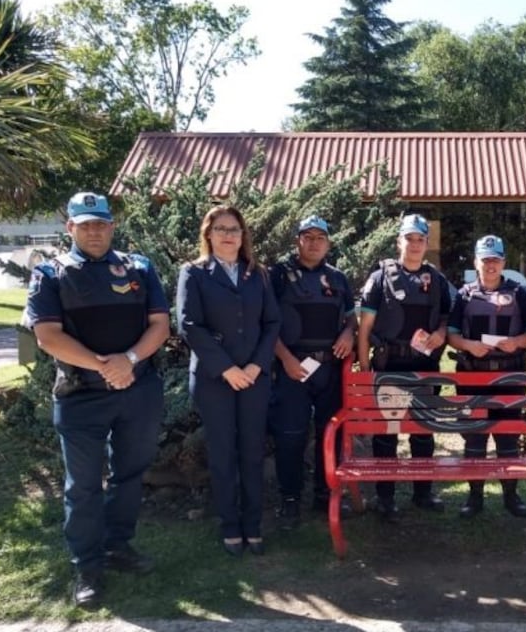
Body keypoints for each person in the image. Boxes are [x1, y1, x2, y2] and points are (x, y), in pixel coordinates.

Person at [25, 192, 170, 608]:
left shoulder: (139, 267)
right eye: (85, 224)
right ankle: (87, 565)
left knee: (130, 473)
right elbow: (47, 336)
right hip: (80, 395)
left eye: (101, 223)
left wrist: (128, 360)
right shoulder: (51, 274)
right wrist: (104, 366)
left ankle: (117, 546)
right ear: (69, 227)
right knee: (83, 486)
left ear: (112, 226)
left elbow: (160, 324)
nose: (94, 231)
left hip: (138, 391)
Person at [176, 205, 280, 557]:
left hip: (254, 378)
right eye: (220, 228)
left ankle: (253, 524)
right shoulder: (193, 273)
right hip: (213, 379)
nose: (228, 235)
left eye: (234, 229)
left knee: (252, 451)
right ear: (208, 234)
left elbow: (272, 324)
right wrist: (227, 369)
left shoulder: (259, 275)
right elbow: (189, 325)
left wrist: (254, 367)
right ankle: (229, 525)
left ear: (242, 234)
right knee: (222, 453)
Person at [357, 213, 452, 523]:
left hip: (425, 366)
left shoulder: (436, 279)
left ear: (427, 243)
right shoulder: (380, 277)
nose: (414, 244)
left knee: (423, 432)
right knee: (388, 434)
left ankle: (423, 493)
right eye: (409, 238)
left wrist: (440, 333)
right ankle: (385, 499)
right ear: (399, 241)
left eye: (420, 239)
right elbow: (365, 327)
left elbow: (446, 317)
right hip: (390, 366)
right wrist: (364, 368)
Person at [269, 215, 356, 528]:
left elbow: (351, 318)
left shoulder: (338, 278)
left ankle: (326, 493)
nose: (314, 242)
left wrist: (349, 334)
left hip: (328, 370)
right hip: (292, 369)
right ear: (298, 241)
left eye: (321, 237)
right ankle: (289, 499)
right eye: (308, 236)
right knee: (290, 435)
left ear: (329, 243)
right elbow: (267, 325)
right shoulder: (277, 275)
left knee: (330, 435)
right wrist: (285, 359)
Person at [447, 235, 526, 518]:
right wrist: (468, 345)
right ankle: (474, 498)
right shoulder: (463, 296)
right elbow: (451, 335)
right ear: (476, 262)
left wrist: (518, 342)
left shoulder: (519, 293)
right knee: (474, 439)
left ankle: (511, 496)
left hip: (510, 377)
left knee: (508, 439)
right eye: (485, 259)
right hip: (473, 377)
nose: (490, 265)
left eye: (495, 259)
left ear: (503, 262)